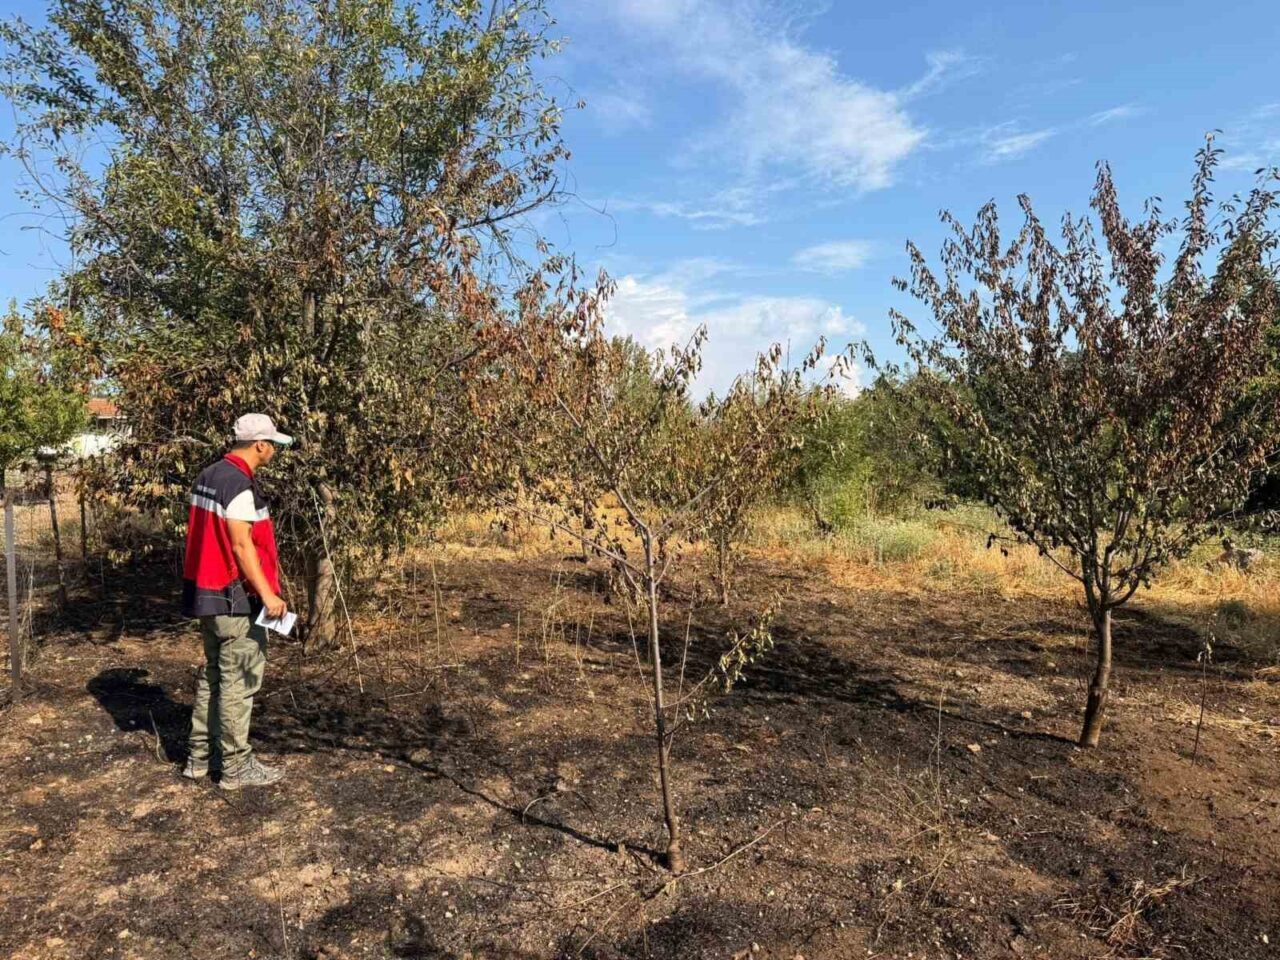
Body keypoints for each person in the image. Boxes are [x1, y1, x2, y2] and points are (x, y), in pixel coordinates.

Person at [180, 413, 292, 789]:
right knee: (238, 681)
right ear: (259, 445)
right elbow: (242, 546)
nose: (274, 450)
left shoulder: (208, 476)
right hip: (234, 598)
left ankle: (198, 758)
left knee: (214, 675)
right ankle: (236, 766)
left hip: (206, 593)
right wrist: (267, 594)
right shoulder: (239, 485)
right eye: (272, 443)